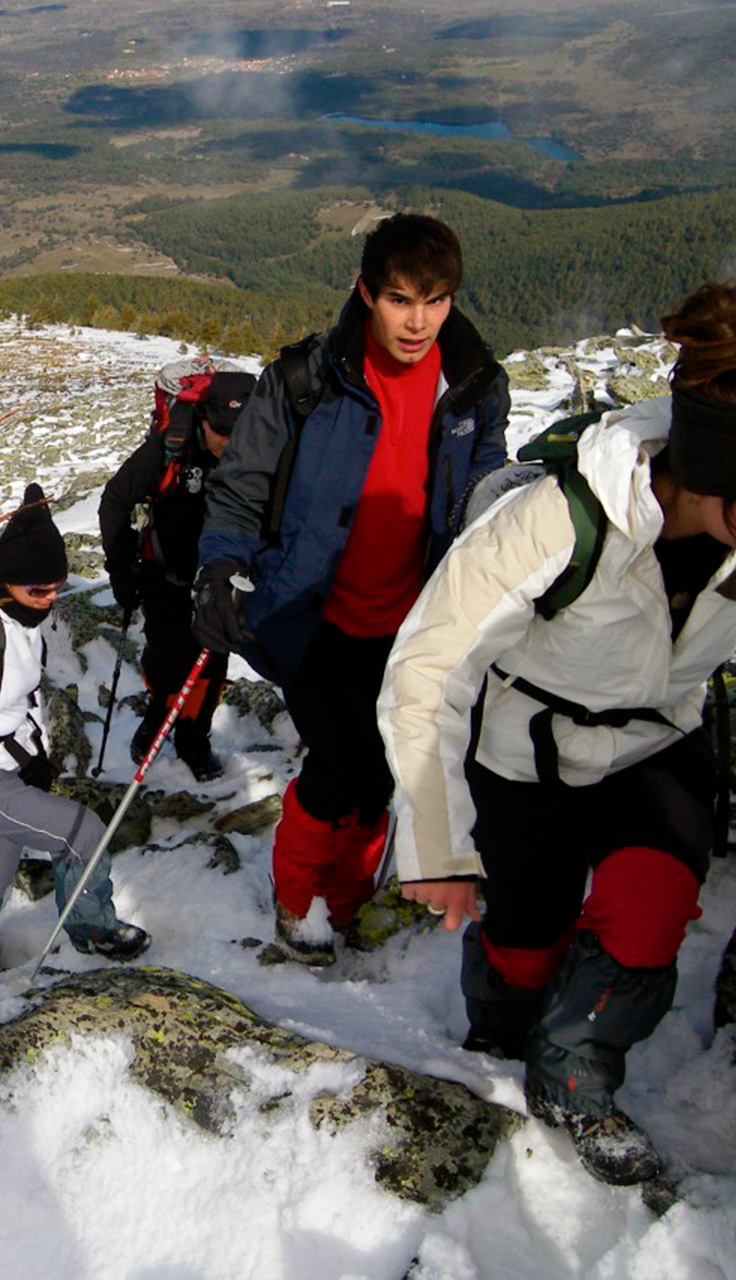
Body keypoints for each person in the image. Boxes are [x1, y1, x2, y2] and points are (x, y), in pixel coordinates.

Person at [379, 279, 736, 1185]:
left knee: (648, 917)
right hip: (527, 752)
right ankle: (499, 1024)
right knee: (527, 929)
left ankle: (576, 1078)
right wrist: (437, 845)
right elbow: (428, 671)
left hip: (658, 742)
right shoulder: (554, 522)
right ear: (715, 474)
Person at [193, 213, 509, 963]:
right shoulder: (306, 381)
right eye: (401, 299)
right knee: (340, 766)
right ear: (366, 293)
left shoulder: (473, 389)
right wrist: (220, 569)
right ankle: (299, 904)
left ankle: (349, 900)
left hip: (416, 621)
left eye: (436, 302)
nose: (419, 321)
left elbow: (489, 493)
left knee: (378, 777)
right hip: (311, 616)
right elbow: (242, 489)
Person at [0, 484, 151, 981]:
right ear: (10, 579)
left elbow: (22, 694)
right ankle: (91, 928)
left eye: (57, 587)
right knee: (82, 831)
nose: (50, 598)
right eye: (39, 589)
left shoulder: (24, 618)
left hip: (4, 769)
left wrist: (33, 753)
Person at [99, 368, 256, 781]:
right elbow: (114, 501)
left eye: (236, 432)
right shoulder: (168, 450)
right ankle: (157, 716)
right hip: (165, 576)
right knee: (166, 659)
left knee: (212, 665)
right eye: (220, 431)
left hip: (221, 582)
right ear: (202, 418)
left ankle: (193, 737)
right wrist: (121, 570)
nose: (227, 442)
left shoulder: (256, 454)